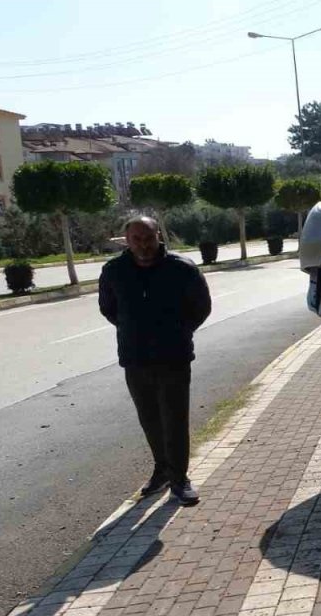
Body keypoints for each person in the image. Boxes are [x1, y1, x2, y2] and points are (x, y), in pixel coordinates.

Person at [98, 216, 211, 506]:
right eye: (136, 240)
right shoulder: (114, 271)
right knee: (149, 419)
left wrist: (178, 332)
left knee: (174, 418)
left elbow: (201, 307)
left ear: (158, 235)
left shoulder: (181, 268)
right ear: (127, 241)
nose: (143, 245)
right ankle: (161, 470)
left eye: (148, 238)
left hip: (173, 356)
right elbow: (109, 309)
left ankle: (180, 479)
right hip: (134, 358)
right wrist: (134, 331)